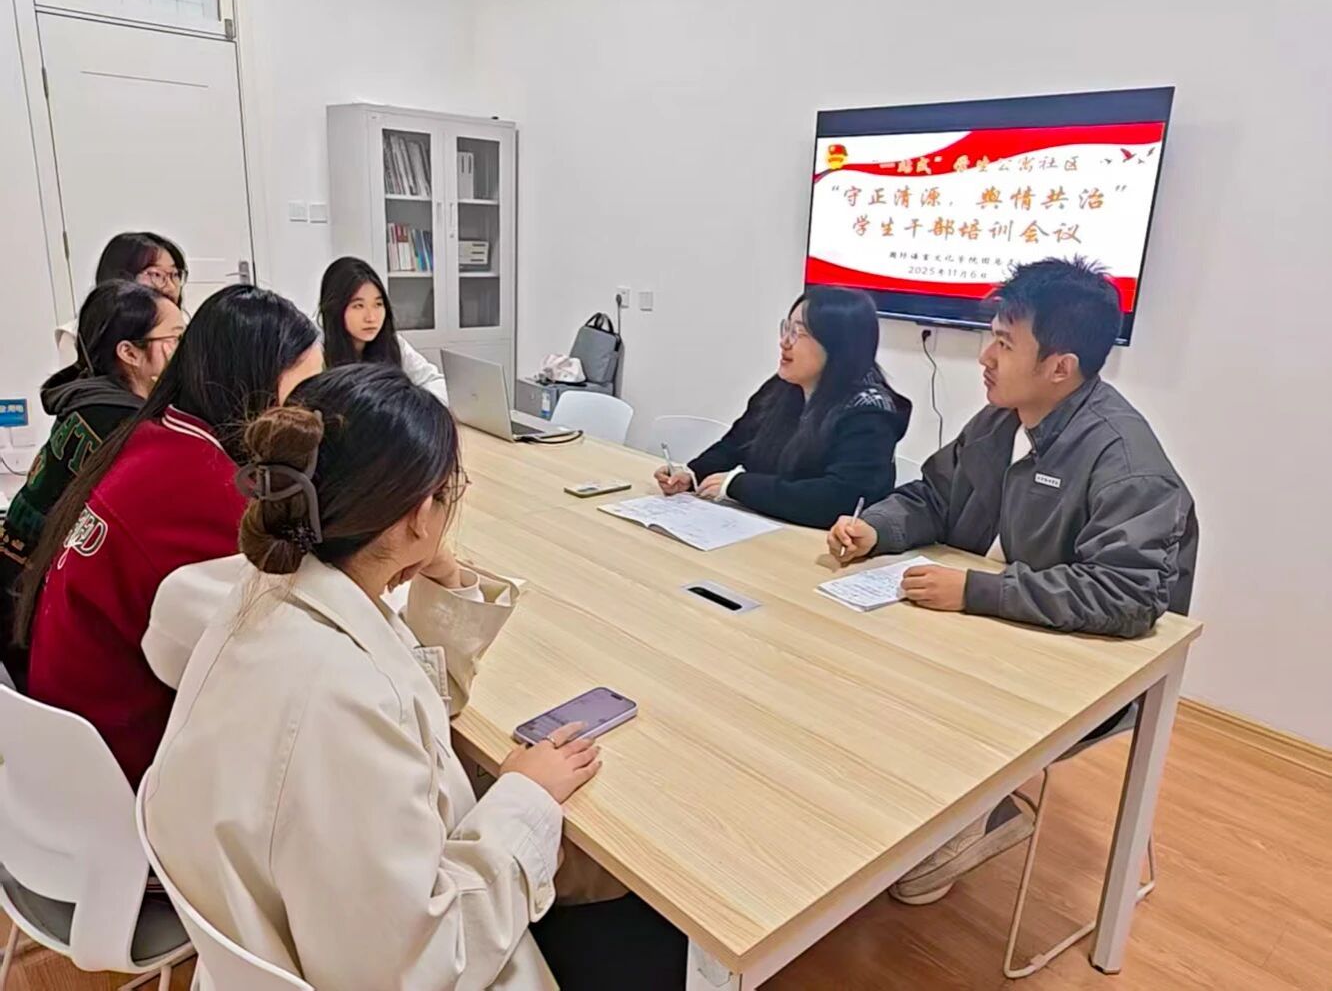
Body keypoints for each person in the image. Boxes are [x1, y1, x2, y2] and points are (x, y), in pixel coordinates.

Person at [144, 365, 682, 990]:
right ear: (421, 512)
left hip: (282, 929)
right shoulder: (345, 697)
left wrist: (440, 570)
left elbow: (409, 691)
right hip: (400, 960)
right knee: (643, 902)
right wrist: (524, 796)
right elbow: (422, 962)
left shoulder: (259, 594)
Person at [827, 256, 1198, 905]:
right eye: (990, 337)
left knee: (911, 878)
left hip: (1082, 664)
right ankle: (908, 799)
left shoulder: (1125, 460)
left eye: (1004, 343)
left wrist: (975, 592)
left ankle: (985, 809)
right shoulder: (1000, 420)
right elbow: (933, 497)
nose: (985, 357)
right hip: (990, 629)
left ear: (1060, 367)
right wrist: (876, 530)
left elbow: (1127, 597)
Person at [16, 284, 322, 786]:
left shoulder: (153, 435)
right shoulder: (206, 487)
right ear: (252, 386)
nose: (312, 415)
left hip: (67, 749)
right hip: (124, 772)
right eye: (304, 395)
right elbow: (281, 668)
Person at [1, 280, 184, 690]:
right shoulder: (121, 425)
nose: (185, 350)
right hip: (30, 609)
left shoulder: (88, 399)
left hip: (16, 582)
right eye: (175, 338)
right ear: (130, 353)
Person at [655, 287, 911, 528]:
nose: (784, 342)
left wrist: (738, 485)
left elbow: (840, 499)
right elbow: (736, 444)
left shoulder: (870, 412)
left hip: (822, 543)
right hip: (765, 526)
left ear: (838, 344)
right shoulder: (783, 387)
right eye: (786, 328)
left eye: (798, 333)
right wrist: (692, 474)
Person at [318, 255, 449, 403]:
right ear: (335, 308)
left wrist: (410, 405)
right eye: (358, 306)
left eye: (378, 304)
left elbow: (433, 381)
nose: (371, 317)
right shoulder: (317, 352)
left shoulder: (393, 343)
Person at [55, 232, 188, 367]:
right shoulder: (75, 335)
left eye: (175, 274)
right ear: (121, 277)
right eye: (156, 274)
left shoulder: (183, 324)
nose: (171, 286)